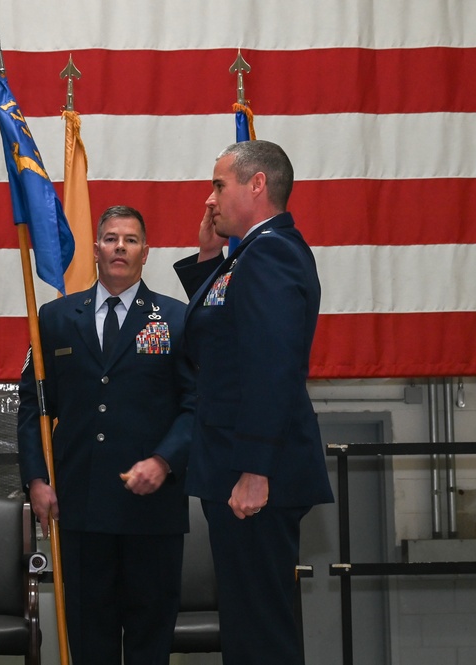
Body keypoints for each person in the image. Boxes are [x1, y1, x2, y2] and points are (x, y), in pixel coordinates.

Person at [173, 140, 333, 664]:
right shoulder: (250, 254)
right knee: (246, 625)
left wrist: (254, 468)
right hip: (237, 464)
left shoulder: (275, 251)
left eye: (220, 184)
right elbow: (219, 338)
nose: (211, 197)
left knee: (260, 631)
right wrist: (207, 261)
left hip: (256, 471)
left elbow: (272, 364)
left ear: (256, 184)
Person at [18, 205, 195, 665]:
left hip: (151, 514)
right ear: (95, 249)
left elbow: (197, 407)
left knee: (148, 644)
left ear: (146, 252)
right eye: (111, 238)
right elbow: (33, 409)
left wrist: (164, 459)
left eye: (131, 239)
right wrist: (37, 480)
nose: (120, 247)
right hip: (81, 511)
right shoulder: (55, 318)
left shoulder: (176, 319)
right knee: (88, 642)